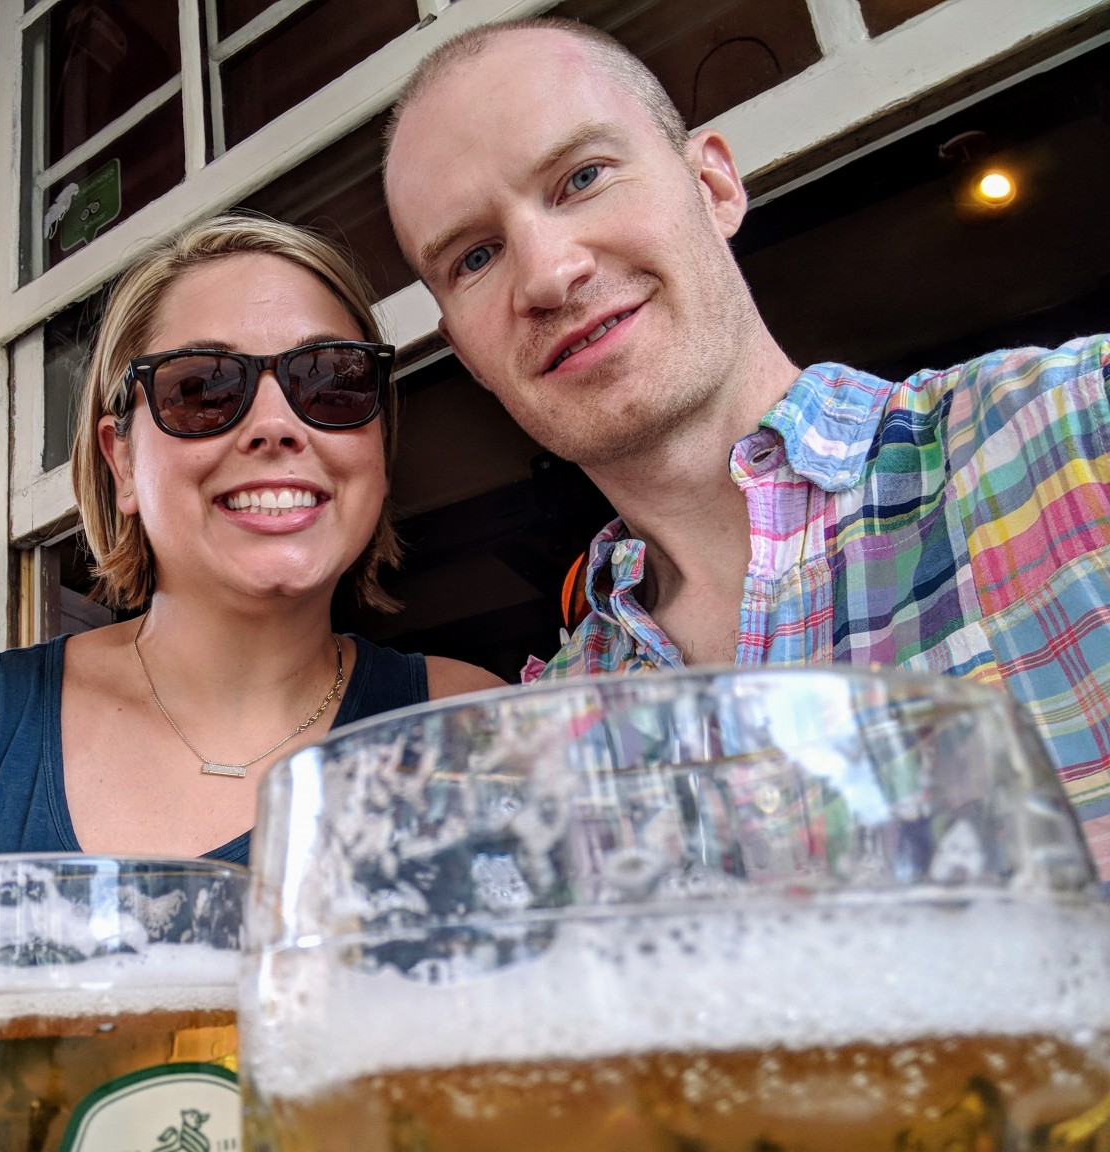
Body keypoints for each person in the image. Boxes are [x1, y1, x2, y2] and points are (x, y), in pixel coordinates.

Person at [0, 213, 502, 1152]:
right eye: (203, 389)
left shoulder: (465, 730)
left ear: (374, 439)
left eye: (332, 382)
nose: (276, 424)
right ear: (122, 461)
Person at [381, 16, 1110, 880]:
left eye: (582, 177)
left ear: (714, 185)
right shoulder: (545, 745)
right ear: (465, 354)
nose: (546, 274)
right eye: (474, 257)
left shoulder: (1078, 424)